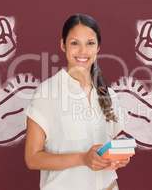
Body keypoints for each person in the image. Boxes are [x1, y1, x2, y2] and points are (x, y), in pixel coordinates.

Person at [24, 14, 128, 190]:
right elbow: (32, 158)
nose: (82, 51)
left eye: (90, 43)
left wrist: (119, 152)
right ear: (63, 45)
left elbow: (112, 142)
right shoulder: (47, 93)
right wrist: (82, 158)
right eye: (74, 43)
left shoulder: (108, 94)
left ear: (98, 47)